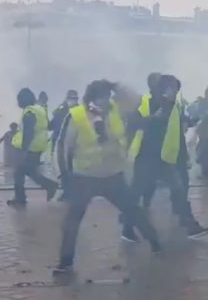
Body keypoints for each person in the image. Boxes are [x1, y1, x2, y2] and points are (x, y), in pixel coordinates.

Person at [54, 80, 161, 273]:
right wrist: (64, 176)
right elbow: (63, 147)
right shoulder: (77, 115)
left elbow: (136, 100)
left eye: (106, 96)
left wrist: (116, 86)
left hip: (112, 174)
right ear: (91, 98)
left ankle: (156, 243)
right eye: (99, 97)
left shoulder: (117, 111)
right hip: (84, 177)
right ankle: (65, 262)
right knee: (72, 221)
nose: (103, 101)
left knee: (133, 210)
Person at [122, 74, 208, 241]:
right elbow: (133, 124)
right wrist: (152, 120)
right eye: (171, 89)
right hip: (146, 158)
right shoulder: (146, 103)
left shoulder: (174, 107)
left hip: (166, 159)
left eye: (176, 89)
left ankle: (189, 225)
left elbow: (176, 133)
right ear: (162, 89)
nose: (174, 92)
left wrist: (183, 156)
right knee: (137, 193)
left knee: (179, 190)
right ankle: (127, 228)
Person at [7, 88, 58, 208]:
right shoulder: (39, 110)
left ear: (23, 100)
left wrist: (24, 149)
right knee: (26, 171)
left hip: (30, 148)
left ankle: (23, 197)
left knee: (20, 172)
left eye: (19, 100)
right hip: (38, 146)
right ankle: (23, 196)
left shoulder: (29, 112)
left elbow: (28, 133)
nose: (18, 103)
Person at [50, 90, 80, 201]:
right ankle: (68, 192)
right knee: (64, 169)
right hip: (61, 143)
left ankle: (70, 192)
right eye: (72, 98)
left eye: (75, 98)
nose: (73, 100)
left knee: (70, 169)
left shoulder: (78, 111)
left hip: (72, 143)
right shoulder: (61, 110)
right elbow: (52, 125)